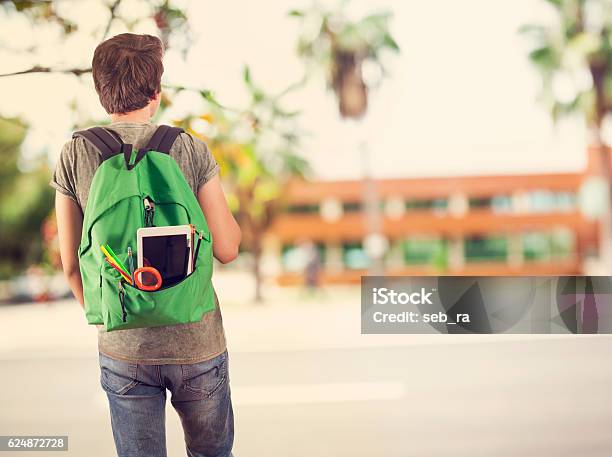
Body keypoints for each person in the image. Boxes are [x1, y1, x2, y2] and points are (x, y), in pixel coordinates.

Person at [50, 33, 241, 457]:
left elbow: (69, 265)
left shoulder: (75, 154)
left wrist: (111, 320)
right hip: (198, 343)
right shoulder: (188, 148)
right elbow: (227, 248)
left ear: (101, 92)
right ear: (157, 92)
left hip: (124, 350)